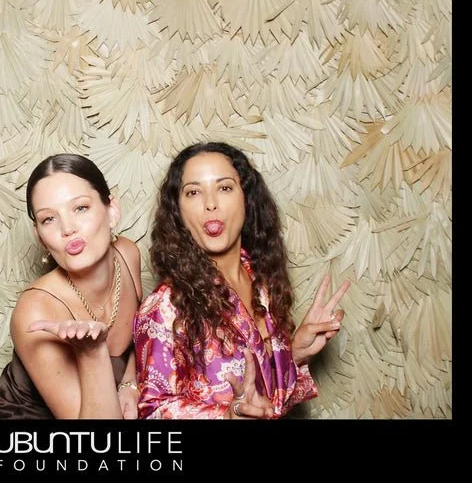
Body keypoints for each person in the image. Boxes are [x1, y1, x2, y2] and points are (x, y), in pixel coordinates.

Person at [133, 142, 350, 419]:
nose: (210, 203)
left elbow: (271, 402)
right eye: (193, 192)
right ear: (178, 212)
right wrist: (227, 416)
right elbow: (152, 413)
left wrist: (295, 354)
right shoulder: (164, 306)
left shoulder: (261, 283)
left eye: (224, 188)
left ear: (246, 198)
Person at [0, 153, 143, 419]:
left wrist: (129, 383)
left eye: (80, 208)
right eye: (48, 219)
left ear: (112, 211)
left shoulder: (128, 255)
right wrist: (92, 353)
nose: (67, 228)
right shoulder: (35, 310)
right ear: (40, 237)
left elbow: (135, 335)